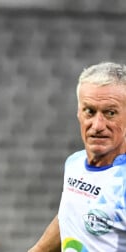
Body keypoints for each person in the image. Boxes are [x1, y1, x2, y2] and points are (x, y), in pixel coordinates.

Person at [28, 61, 126, 251]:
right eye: (89, 111)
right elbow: (71, 214)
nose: (97, 125)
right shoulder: (74, 163)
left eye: (110, 113)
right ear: (78, 113)